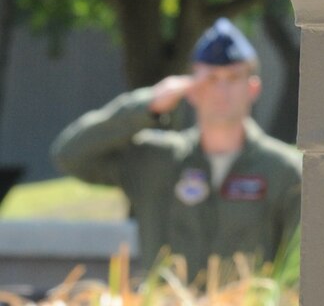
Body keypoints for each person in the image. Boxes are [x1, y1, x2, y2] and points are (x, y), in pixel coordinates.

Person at [50, 17, 301, 277]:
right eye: (211, 79)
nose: (222, 90)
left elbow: (301, 263)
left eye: (233, 77)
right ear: (191, 88)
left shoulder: (284, 170)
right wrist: (147, 104)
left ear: (253, 88)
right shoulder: (156, 161)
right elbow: (70, 155)